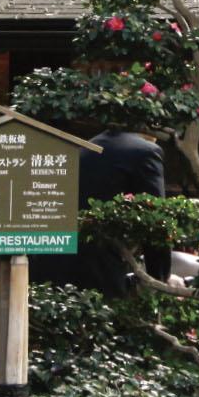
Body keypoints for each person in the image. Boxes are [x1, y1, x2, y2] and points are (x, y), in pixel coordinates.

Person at [72, 126, 166, 294]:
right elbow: (157, 221)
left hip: (58, 264)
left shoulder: (85, 146)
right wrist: (159, 281)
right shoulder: (145, 152)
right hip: (103, 267)